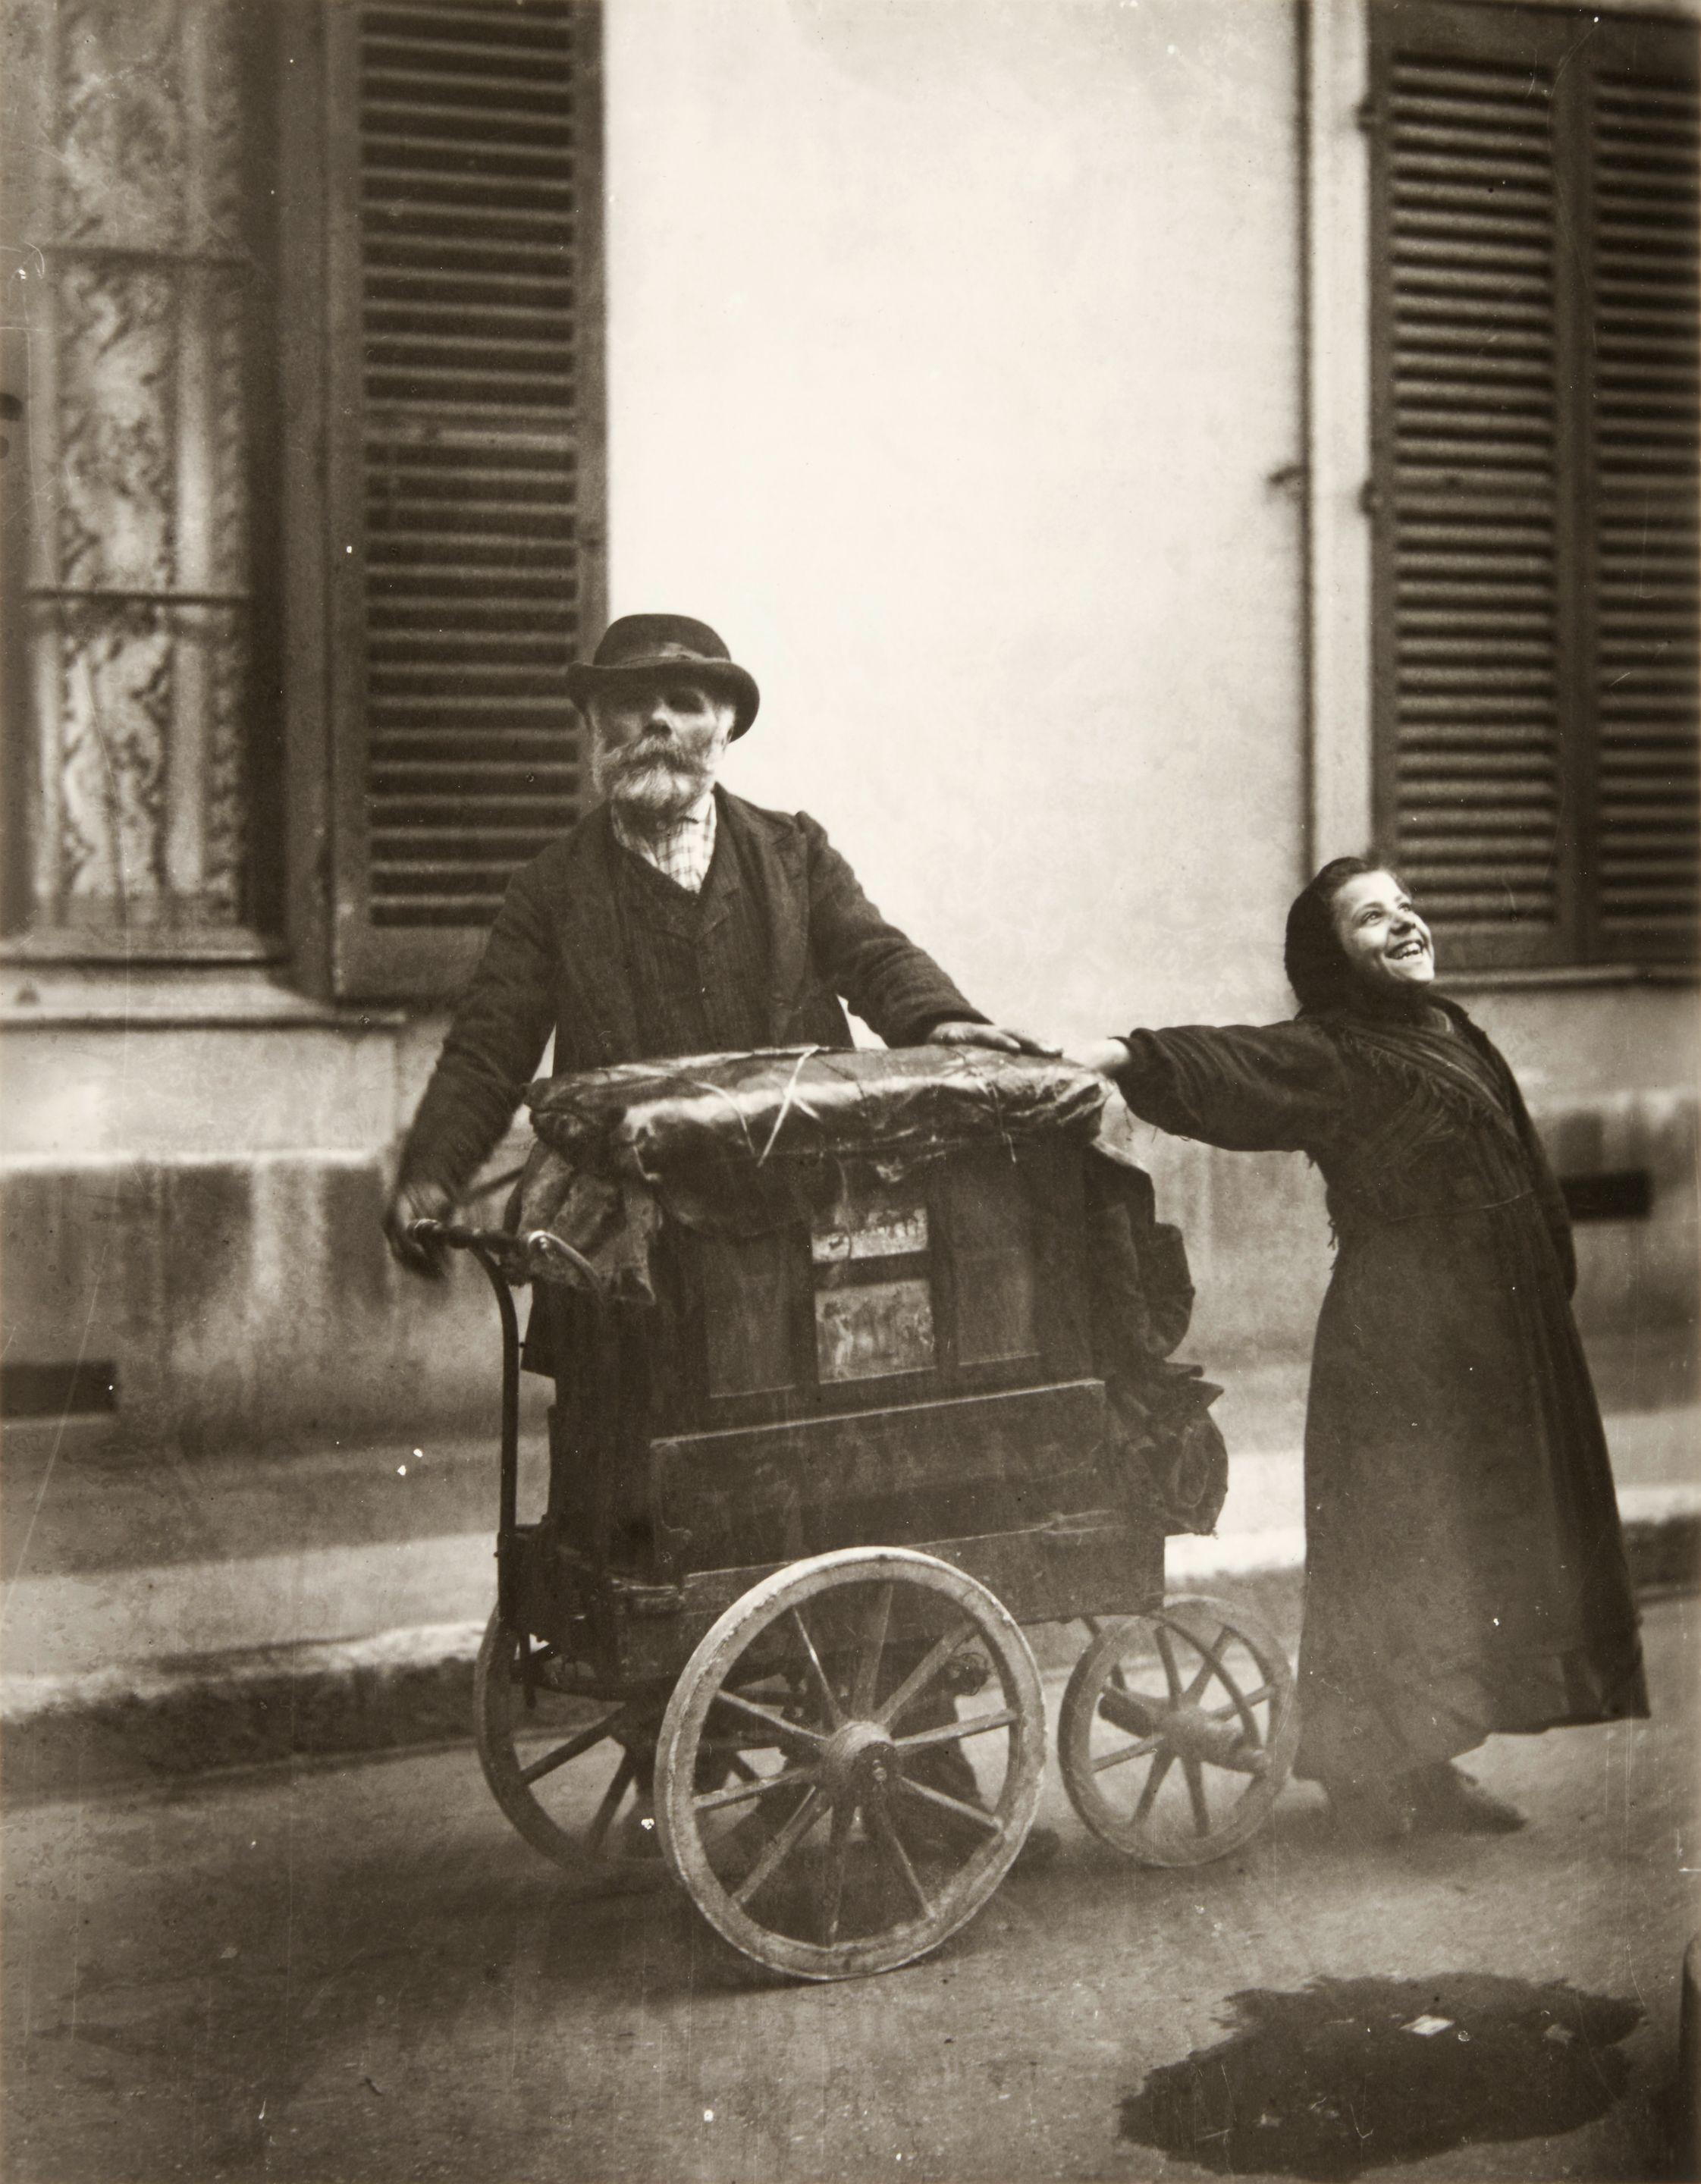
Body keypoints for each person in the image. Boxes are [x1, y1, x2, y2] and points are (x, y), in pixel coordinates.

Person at [1065, 857, 1649, 1841]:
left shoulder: (1449, 1032)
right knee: (1399, 1548)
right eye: (1370, 920)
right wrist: (1119, 1056)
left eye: (1405, 908)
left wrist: (1545, 1284)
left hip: (1495, 1336)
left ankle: (1432, 1764)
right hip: (1401, 1344)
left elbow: (1521, 1161)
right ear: (1331, 959)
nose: (1403, 925)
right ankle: (1366, 1778)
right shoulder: (1335, 1052)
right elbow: (1235, 1063)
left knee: (1466, 1548)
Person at [384, 611, 1044, 1269]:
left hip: (800, 1208)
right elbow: (488, 1050)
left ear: (726, 728)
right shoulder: (548, 889)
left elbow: (874, 955)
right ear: (592, 724)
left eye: (685, 703)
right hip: (631, 1231)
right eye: (630, 702)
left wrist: (942, 1019)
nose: (658, 721)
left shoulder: (795, 854)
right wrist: (431, 1173)